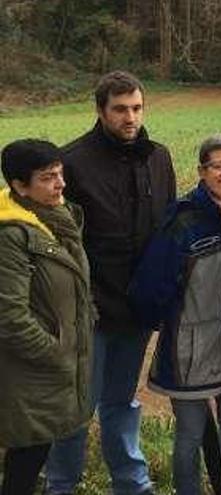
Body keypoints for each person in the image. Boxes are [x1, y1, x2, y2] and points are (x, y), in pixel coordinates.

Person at [45, 70, 176, 495]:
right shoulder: (73, 164)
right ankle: (61, 484)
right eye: (120, 109)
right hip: (90, 312)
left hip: (137, 309)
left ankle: (132, 484)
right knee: (77, 406)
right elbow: (59, 244)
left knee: (122, 403)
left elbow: (169, 229)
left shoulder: (158, 158)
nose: (130, 117)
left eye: (136, 108)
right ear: (101, 111)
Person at [129, 133, 221, 494]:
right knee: (188, 436)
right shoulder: (183, 221)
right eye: (218, 165)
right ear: (202, 170)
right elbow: (152, 286)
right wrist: (170, 322)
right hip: (189, 349)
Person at [0, 140, 93, 495]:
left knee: (31, 458)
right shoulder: (11, 235)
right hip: (31, 374)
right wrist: (57, 353)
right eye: (48, 177)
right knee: (25, 461)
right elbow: (9, 317)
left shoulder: (56, 218)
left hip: (48, 371)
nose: (60, 184)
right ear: (19, 186)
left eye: (60, 173)